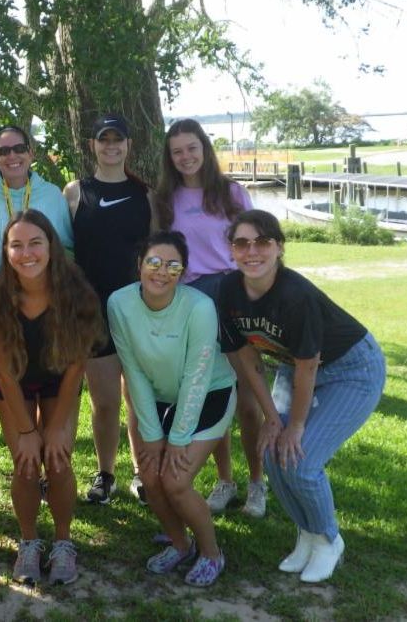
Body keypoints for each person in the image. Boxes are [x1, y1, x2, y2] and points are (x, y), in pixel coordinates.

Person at [218, 210, 385, 583]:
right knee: (272, 452)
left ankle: (328, 540)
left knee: (302, 460)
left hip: (352, 369)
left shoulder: (295, 295)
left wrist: (294, 425)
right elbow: (247, 358)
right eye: (241, 243)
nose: (252, 251)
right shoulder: (229, 290)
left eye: (263, 242)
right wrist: (271, 419)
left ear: (279, 247)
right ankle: (307, 534)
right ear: (231, 250)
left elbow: (309, 365)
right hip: (294, 369)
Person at [0, 209, 104, 586]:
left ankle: (63, 541)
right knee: (26, 462)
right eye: (16, 245)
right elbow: (3, 368)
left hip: (59, 377)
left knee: (59, 460)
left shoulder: (78, 292)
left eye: (35, 243)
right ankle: (29, 541)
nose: (26, 253)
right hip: (13, 380)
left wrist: (56, 426)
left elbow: (77, 365)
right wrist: (26, 431)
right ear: (5, 251)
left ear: (51, 246)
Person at [108, 231, 236, 587]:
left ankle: (211, 553)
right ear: (139, 264)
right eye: (154, 262)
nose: (162, 272)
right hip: (161, 397)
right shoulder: (119, 303)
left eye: (173, 266)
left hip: (210, 392)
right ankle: (180, 544)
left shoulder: (199, 307)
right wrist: (151, 435)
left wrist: (178, 439)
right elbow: (133, 370)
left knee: (175, 481)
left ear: (183, 272)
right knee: (150, 476)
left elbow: (198, 376)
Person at [156, 118, 266, 518]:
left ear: (204, 148)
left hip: (236, 296)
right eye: (177, 151)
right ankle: (225, 480)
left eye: (192, 148)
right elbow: (163, 254)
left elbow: (255, 247)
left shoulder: (232, 192)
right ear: (170, 157)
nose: (185, 157)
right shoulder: (165, 200)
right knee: (213, 393)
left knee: (248, 399)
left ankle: (257, 483)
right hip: (194, 300)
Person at [63, 114, 154, 505]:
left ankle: (142, 472)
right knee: (104, 402)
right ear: (93, 145)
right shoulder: (74, 193)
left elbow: (159, 255)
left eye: (118, 139)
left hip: (137, 310)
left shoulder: (145, 195)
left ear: (129, 145)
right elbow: (62, 252)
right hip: (92, 312)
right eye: (104, 139)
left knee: (138, 399)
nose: (111, 146)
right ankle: (105, 473)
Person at [0, 125, 73, 284]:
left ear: (31, 154)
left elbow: (67, 248)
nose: (12, 155)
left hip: (46, 292)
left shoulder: (53, 195)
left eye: (19, 149)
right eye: (4, 151)